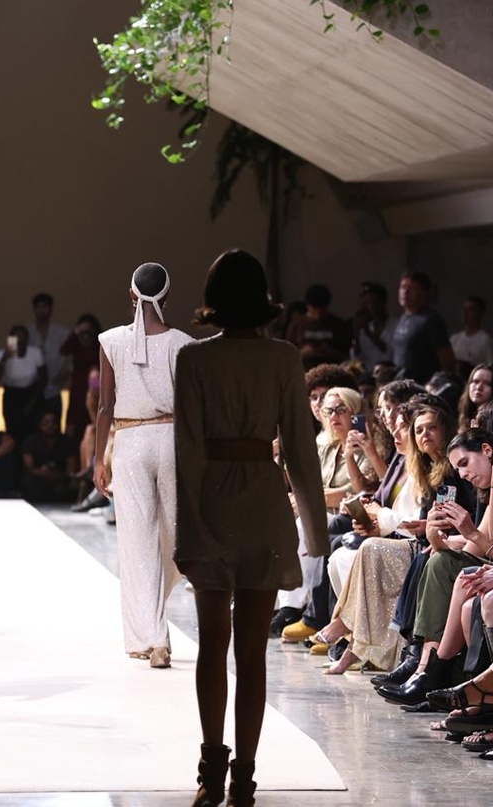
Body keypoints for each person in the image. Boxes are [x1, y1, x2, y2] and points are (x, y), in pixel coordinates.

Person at [174, 249, 328, 807]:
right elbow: (301, 450)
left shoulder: (194, 358)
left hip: (213, 504)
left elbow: (187, 449)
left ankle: (211, 775)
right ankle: (243, 780)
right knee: (251, 653)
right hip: (264, 503)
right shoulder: (283, 357)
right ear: (262, 298)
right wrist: (316, 534)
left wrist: (188, 528)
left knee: (212, 645)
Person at [93, 262, 192, 669]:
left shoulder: (110, 341)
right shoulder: (184, 344)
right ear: (167, 296)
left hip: (130, 442)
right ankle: (154, 628)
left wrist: (98, 458)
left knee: (138, 541)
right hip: (171, 440)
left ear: (131, 294)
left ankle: (153, 636)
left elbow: (104, 406)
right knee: (173, 538)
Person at [391, 271, 455, 384]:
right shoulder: (403, 318)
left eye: (412, 288)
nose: (405, 292)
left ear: (425, 293)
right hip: (401, 385)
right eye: (403, 287)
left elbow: (447, 361)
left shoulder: (431, 320)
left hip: (422, 386)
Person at [0, 324, 46, 447]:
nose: (19, 341)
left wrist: (32, 401)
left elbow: (43, 379)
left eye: (22, 337)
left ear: (27, 339)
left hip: (32, 393)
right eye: (16, 337)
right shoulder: (1, 354)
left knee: (33, 431)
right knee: (13, 431)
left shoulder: (35, 352)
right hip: (11, 395)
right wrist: (5, 358)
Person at [285, 283, 352, 369]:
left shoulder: (338, 324)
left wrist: (332, 352)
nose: (317, 316)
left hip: (332, 371)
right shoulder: (297, 324)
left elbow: (349, 356)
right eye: (314, 312)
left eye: (321, 312)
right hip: (304, 371)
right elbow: (287, 356)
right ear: (308, 306)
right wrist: (303, 353)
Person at [28, 292, 69, 421]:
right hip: (33, 390)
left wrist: (67, 372)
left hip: (54, 389)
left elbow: (73, 353)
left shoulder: (61, 333)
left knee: (54, 425)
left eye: (44, 307)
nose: (41, 311)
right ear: (34, 309)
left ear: (50, 309)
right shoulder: (29, 333)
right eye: (38, 307)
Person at [61, 314, 103, 439]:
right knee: (75, 417)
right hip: (78, 386)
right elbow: (64, 350)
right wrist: (76, 331)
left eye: (88, 330)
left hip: (95, 383)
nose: (86, 335)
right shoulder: (76, 342)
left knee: (94, 410)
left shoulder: (99, 342)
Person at [353, 281, 395, 373]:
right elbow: (357, 358)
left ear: (383, 302)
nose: (371, 307)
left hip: (391, 374)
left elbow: (390, 353)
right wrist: (356, 334)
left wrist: (369, 334)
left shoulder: (396, 325)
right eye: (367, 303)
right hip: (369, 374)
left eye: (374, 302)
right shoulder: (365, 327)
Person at [450, 295, 493, 372]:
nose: (465, 314)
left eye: (470, 310)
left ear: (480, 314)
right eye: (464, 309)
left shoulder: (486, 342)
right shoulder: (454, 339)